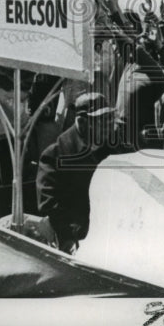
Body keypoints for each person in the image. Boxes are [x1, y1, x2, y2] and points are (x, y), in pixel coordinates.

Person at [36, 93, 118, 253]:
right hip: (79, 238)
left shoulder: (111, 149)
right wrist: (70, 237)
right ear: (82, 121)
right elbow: (50, 205)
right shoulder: (55, 155)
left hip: (111, 229)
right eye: (102, 120)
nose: (109, 125)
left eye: (110, 118)